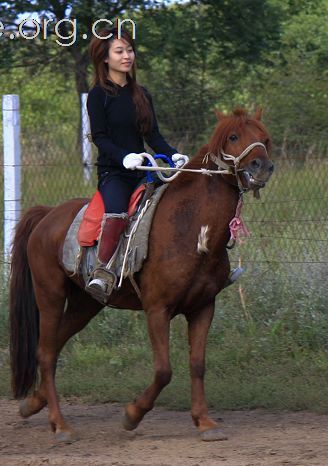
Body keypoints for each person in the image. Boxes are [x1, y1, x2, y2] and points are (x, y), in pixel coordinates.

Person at [84, 27, 185, 301]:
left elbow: (153, 136)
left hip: (145, 170)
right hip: (114, 173)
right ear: (105, 58)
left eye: (129, 50)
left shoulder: (142, 94)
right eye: (119, 51)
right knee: (116, 213)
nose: (127, 56)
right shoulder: (97, 96)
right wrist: (122, 157)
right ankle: (103, 272)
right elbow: (100, 138)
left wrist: (174, 154)